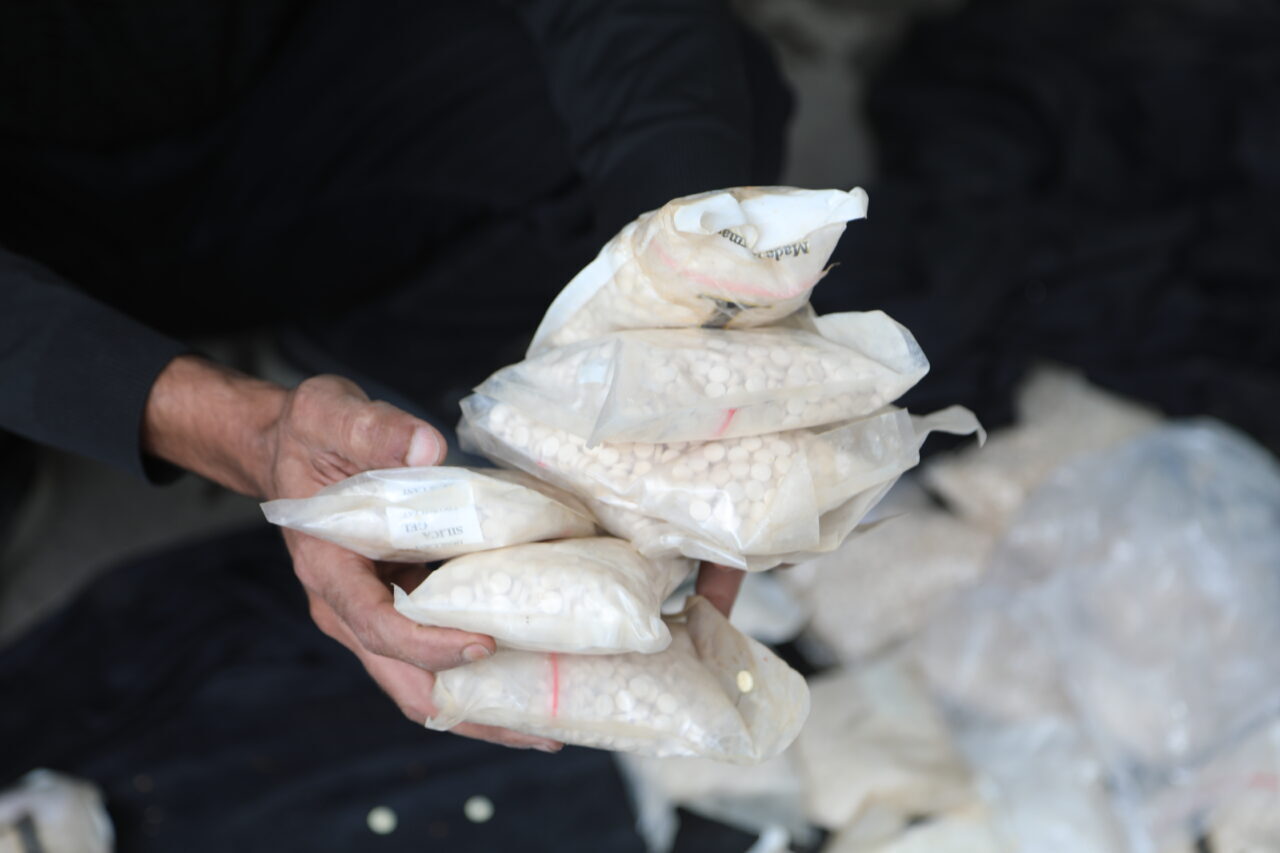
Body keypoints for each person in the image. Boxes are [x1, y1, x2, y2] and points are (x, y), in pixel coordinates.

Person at [0, 2, 789, 750]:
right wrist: (237, 426)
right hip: (37, 212)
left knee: (701, 121)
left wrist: (674, 287)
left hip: (271, 70)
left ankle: (355, 338)